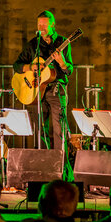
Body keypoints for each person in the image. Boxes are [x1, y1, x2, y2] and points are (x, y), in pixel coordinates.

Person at [13, 10, 73, 150]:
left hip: (56, 90)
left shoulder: (62, 42)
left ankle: (60, 165)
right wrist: (30, 67)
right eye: (39, 25)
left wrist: (62, 62)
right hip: (36, 91)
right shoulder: (33, 44)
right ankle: (43, 163)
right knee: (39, 130)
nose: (40, 28)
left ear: (52, 25)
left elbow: (69, 70)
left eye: (44, 25)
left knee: (59, 130)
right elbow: (17, 65)